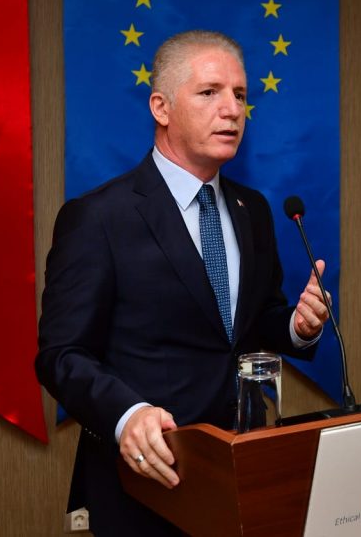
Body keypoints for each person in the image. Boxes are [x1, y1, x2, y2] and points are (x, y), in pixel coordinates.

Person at [35, 30, 331, 536]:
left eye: (240, 94)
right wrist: (127, 415)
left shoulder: (253, 210)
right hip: (146, 483)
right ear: (161, 108)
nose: (232, 110)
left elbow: (248, 324)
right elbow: (61, 355)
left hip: (240, 468)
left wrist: (298, 327)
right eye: (210, 92)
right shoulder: (99, 217)